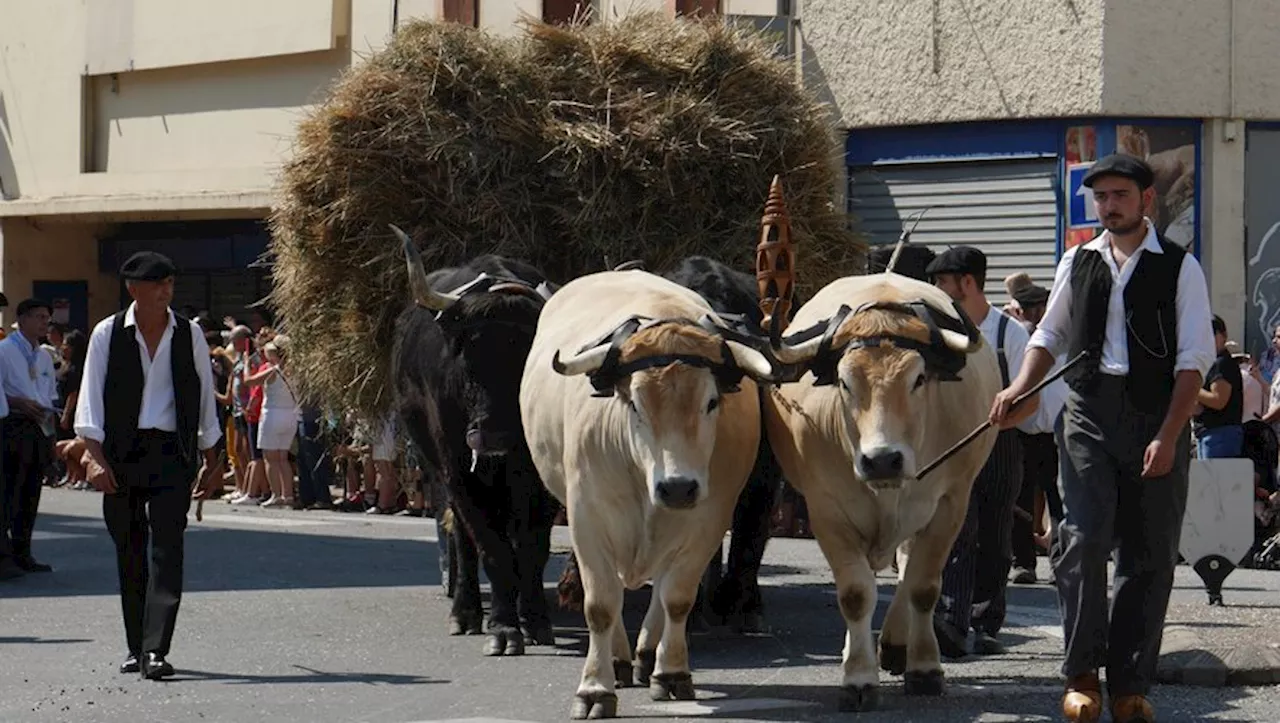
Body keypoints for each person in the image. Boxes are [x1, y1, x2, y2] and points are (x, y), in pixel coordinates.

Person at [989, 154, 1215, 723]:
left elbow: (1193, 363)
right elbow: (1049, 333)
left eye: (1120, 194)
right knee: (1083, 538)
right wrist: (1019, 385)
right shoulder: (1077, 260)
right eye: (1101, 196)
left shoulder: (1181, 268)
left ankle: (1131, 683)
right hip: (1088, 413)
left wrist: (1169, 435)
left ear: (1146, 201)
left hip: (1156, 415)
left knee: (1150, 553)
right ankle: (1082, 675)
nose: (1109, 205)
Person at [75, 251, 222, 680]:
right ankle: (135, 645)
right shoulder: (107, 333)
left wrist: (213, 460)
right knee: (130, 550)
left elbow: (203, 394)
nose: (166, 292)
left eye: (170, 284)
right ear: (133, 289)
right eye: (158, 285)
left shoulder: (189, 333)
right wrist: (95, 459)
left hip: (170, 454)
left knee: (168, 550)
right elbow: (90, 401)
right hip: (120, 453)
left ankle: (156, 649)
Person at [926, 246, 1039, 658]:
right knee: (957, 529)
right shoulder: (935, 332)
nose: (937, 290)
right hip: (953, 445)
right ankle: (952, 622)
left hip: (1001, 445)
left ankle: (986, 623)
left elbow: (1032, 400)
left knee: (995, 535)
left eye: (943, 283)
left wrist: (1004, 420)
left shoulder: (1011, 332)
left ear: (967, 283)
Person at [1005, 280, 1068, 586]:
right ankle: (1023, 562)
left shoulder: (1062, 337)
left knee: (1060, 503)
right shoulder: (1018, 339)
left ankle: (1060, 563)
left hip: (1058, 433)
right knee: (1021, 500)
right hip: (1023, 431)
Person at [1, 298, 59, 574]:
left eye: (46, 318)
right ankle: (4, 555)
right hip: (13, 426)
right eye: (38, 317)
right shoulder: (4, 351)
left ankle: (23, 551)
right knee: (8, 492)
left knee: (31, 492)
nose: (43, 323)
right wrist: (18, 402)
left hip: (39, 427)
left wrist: (51, 436)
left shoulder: (45, 355)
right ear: (21, 319)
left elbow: (48, 395)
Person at [1192, 316, 1244, 458]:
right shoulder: (1211, 363)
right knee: (1207, 479)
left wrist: (1192, 388)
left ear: (1223, 336)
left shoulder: (1222, 363)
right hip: (1208, 433)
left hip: (1220, 435)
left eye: (1211, 334)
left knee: (1217, 479)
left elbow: (1218, 400)